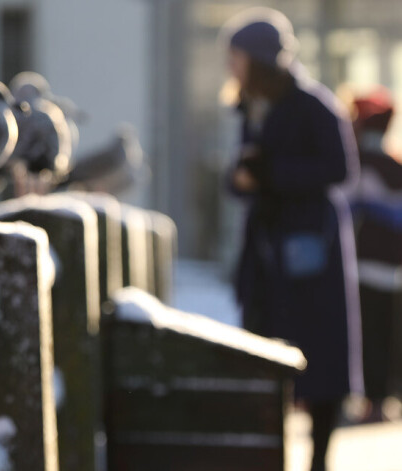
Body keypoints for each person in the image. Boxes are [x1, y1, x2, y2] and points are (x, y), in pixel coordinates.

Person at [222, 8, 363, 471]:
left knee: (321, 364)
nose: (231, 65)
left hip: (311, 255)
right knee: (263, 357)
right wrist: (242, 179)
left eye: (237, 56)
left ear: (258, 60)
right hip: (267, 257)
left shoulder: (315, 105)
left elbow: (340, 170)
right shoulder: (252, 106)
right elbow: (243, 176)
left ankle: (319, 461)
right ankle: (268, 458)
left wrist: (271, 175)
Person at [349, 88, 402, 420]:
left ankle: (373, 400)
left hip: (364, 265)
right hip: (391, 268)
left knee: (369, 335)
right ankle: (379, 400)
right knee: (386, 333)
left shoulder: (361, 164)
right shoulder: (394, 164)